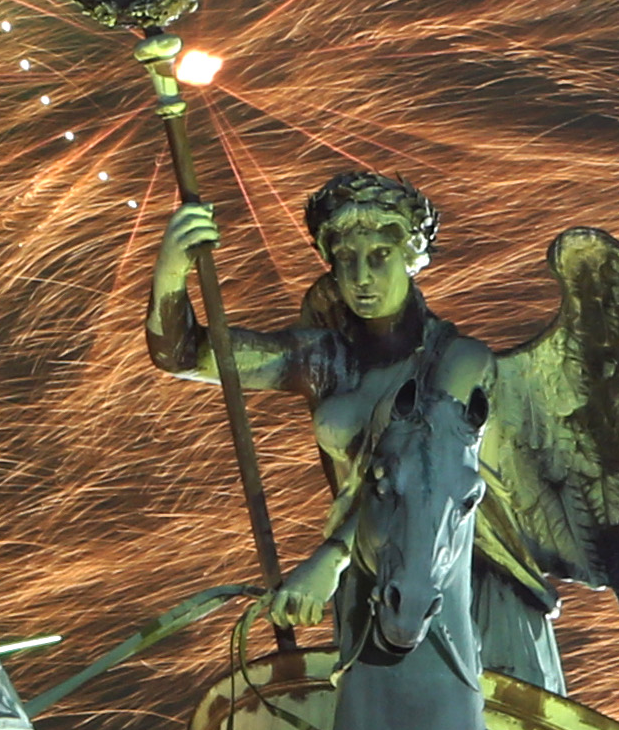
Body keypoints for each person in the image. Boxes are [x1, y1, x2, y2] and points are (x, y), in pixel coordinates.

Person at [144, 170, 565, 690]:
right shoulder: (326, 359)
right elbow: (185, 354)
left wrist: (330, 557)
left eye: (379, 256)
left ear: (410, 256)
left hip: (469, 584)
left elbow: (426, 477)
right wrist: (172, 268)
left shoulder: (459, 361)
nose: (360, 277)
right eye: (345, 258)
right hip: (370, 582)